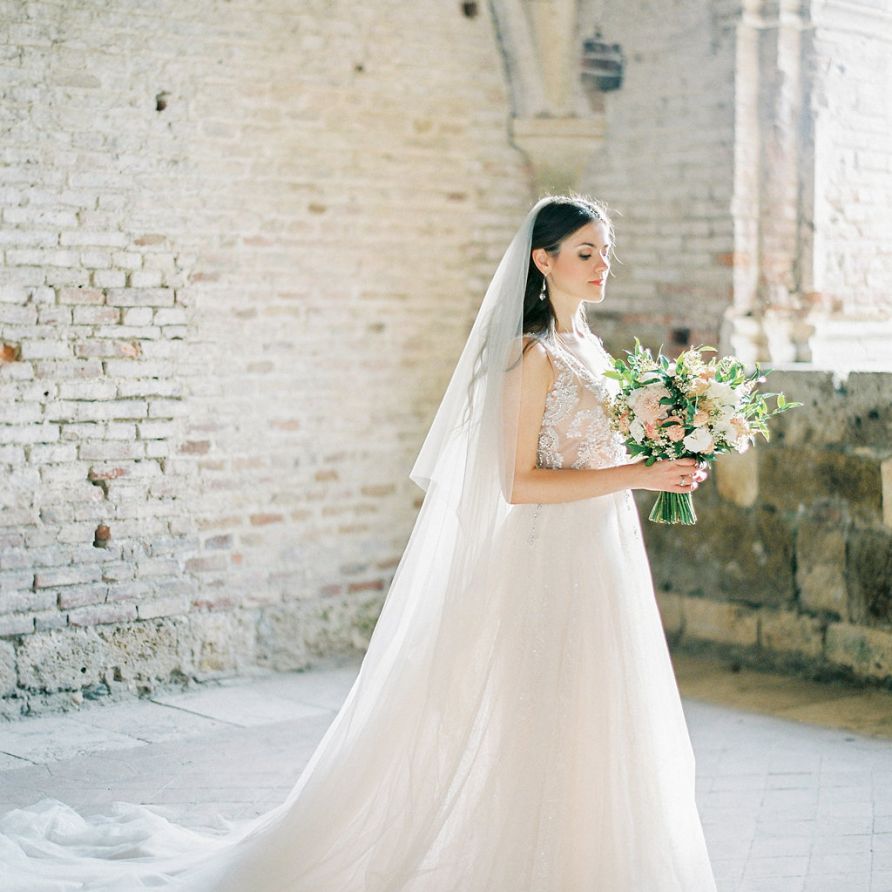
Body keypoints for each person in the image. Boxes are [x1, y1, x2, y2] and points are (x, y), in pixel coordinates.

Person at [0, 194, 717, 890]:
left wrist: (669, 448)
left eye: (606, 253)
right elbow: (517, 483)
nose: (602, 266)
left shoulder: (590, 346)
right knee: (545, 712)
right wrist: (640, 470)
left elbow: (596, 451)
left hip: (602, 552)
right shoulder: (531, 357)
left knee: (598, 714)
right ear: (543, 259)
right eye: (586, 252)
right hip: (548, 557)